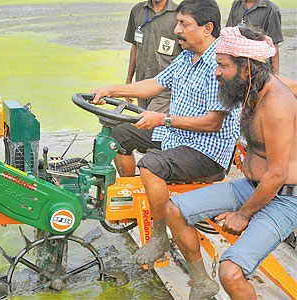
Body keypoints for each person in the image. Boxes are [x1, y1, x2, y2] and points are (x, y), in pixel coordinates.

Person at [91, 0, 239, 289]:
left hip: (207, 152)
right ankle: (141, 196)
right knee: (119, 133)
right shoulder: (187, 56)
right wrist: (112, 89)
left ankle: (159, 234)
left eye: (183, 24)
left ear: (207, 28)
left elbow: (213, 123)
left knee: (151, 164)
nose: (176, 30)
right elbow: (154, 84)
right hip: (177, 138)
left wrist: (163, 120)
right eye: (178, 23)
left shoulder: (220, 64)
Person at [164, 25, 297, 300]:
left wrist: (243, 214)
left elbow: (277, 174)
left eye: (222, 66)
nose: (216, 72)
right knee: (173, 209)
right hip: (251, 186)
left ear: (246, 67)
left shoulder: (277, 105)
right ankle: (201, 282)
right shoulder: (252, 87)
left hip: (284, 197)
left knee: (231, 272)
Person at [124, 0, 181, 112]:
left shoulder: (179, 14)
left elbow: (188, 50)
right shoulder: (137, 10)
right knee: (144, 121)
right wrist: (129, 79)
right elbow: (135, 46)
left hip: (165, 87)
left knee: (149, 122)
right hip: (141, 83)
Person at [226, 0, 283, 74]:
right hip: (237, 67)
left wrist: (276, 75)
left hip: (259, 69)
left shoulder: (272, 10)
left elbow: (274, 47)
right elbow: (228, 35)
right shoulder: (237, 4)